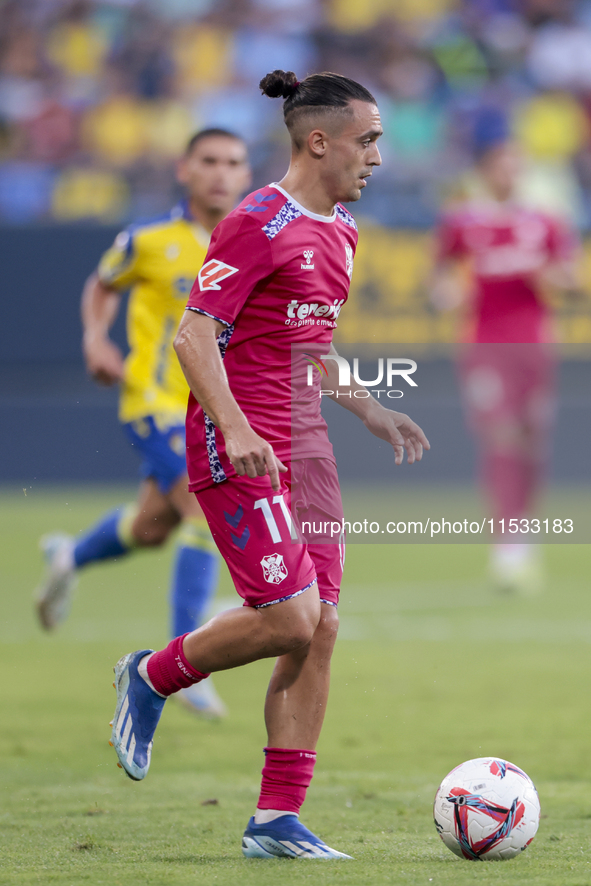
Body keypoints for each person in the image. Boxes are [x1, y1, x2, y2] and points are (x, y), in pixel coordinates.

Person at [108, 69, 429, 860]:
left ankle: (274, 821)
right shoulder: (259, 218)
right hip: (237, 443)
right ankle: (152, 675)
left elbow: (311, 346)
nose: (377, 158)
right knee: (290, 615)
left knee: (318, 629)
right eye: (368, 141)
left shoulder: (344, 231)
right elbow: (193, 335)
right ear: (318, 140)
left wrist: (368, 407)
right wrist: (234, 424)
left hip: (306, 447)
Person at [35, 128, 252, 718]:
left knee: (153, 527)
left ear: (245, 173)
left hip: (214, 407)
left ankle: (70, 557)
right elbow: (102, 286)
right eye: (208, 161)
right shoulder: (149, 240)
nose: (220, 173)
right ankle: (189, 664)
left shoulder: (253, 242)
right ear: (184, 170)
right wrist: (94, 336)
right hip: (153, 400)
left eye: (233, 163)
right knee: (202, 506)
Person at [433, 121, 580, 593]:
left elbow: (570, 280)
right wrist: (447, 293)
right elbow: (439, 278)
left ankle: (523, 529)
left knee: (533, 439)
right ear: (485, 171)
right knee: (502, 435)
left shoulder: (545, 222)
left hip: (535, 343)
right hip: (484, 344)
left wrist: (551, 277)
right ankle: (507, 545)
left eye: (517, 165)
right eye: (502, 165)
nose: (509, 174)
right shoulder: (464, 222)